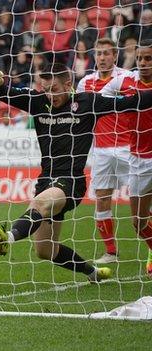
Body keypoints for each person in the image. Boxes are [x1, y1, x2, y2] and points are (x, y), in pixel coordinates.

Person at [0, 62, 152, 282]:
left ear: (69, 84)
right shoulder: (38, 101)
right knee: (45, 250)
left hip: (71, 182)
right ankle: (93, 273)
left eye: (54, 88)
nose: (50, 95)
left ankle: (10, 237)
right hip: (46, 180)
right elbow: (8, 94)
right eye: (46, 89)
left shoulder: (88, 101)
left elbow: (131, 102)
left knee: (40, 204)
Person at [76, 38, 133, 264]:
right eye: (98, 53)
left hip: (129, 147)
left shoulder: (126, 78)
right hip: (101, 150)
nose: (101, 58)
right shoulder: (85, 83)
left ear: (114, 56)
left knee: (144, 199)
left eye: (106, 53)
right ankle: (110, 251)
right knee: (102, 199)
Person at [102, 39, 152, 276]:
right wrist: (119, 104)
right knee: (138, 223)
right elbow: (102, 94)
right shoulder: (127, 80)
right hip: (138, 159)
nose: (143, 63)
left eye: (148, 59)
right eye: (140, 58)